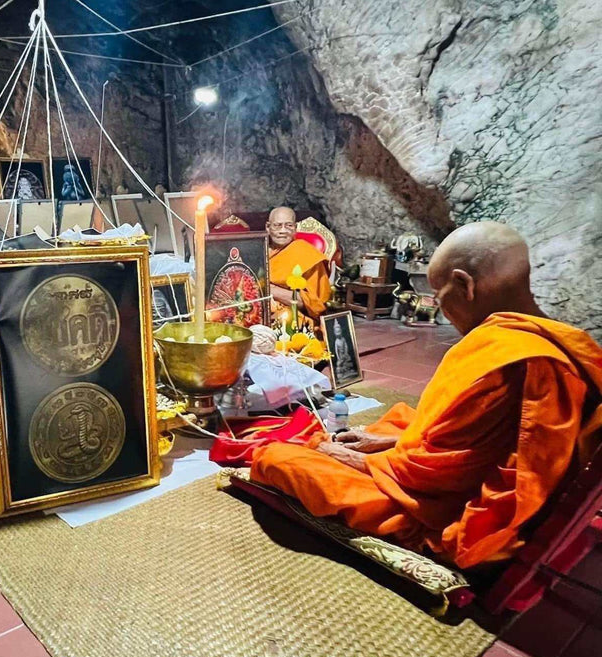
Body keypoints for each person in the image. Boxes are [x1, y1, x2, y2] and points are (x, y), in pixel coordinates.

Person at [250, 221, 602, 569]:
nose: (440, 305)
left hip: (455, 511)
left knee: (277, 457)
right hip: (482, 478)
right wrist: (383, 442)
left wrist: (346, 457)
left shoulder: (500, 356)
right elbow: (476, 446)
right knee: (397, 420)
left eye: (440, 294)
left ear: (465, 284)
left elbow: (434, 475)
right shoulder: (568, 341)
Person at [267, 206, 332, 321]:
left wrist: (271, 290)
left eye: (289, 225)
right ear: (268, 227)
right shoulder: (257, 250)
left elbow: (316, 304)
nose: (283, 231)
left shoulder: (307, 254)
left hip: (292, 317)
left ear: (295, 228)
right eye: (277, 225)